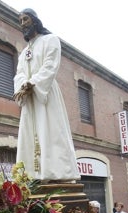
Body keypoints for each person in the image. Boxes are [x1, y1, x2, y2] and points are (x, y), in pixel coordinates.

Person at [13, 8, 79, 182]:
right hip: (30, 99)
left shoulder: (51, 40)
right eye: (20, 21)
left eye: (25, 19)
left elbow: (50, 66)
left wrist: (32, 83)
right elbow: (19, 72)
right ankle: (33, 175)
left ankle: (56, 174)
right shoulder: (23, 53)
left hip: (45, 94)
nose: (22, 24)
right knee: (29, 134)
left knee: (51, 131)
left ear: (35, 20)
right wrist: (21, 86)